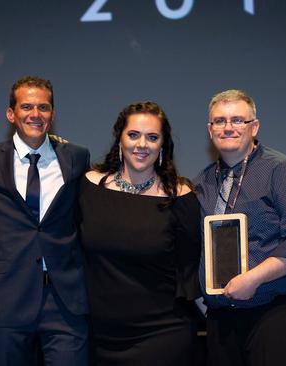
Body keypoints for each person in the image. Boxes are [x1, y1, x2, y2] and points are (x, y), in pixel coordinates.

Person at [194, 89, 286, 366]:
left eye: (238, 120)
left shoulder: (281, 171)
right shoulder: (203, 183)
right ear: (209, 129)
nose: (228, 127)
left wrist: (253, 279)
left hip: (275, 316)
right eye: (220, 121)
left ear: (255, 126)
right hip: (222, 321)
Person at [78, 101, 201, 365]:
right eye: (133, 134)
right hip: (99, 336)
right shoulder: (88, 187)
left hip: (163, 334)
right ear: (119, 139)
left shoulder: (181, 197)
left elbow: (190, 267)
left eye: (152, 137)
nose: (141, 144)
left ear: (163, 145)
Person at [0, 76, 90, 366]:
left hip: (64, 298)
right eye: (27, 106)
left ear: (52, 114)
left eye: (43, 107)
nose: (35, 114)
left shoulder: (77, 157)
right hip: (6, 298)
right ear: (11, 113)